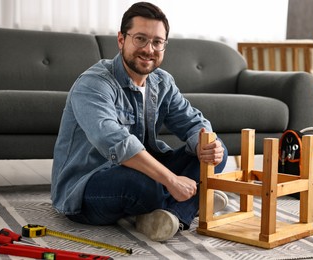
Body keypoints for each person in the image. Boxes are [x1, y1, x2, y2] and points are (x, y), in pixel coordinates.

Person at [51, 1, 228, 242]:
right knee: (145, 184)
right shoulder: (93, 84)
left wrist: (205, 143)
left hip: (143, 170)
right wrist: (171, 179)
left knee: (215, 151)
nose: (149, 49)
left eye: (157, 42)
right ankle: (194, 202)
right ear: (121, 39)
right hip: (88, 187)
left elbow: (192, 121)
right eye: (140, 39)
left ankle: (169, 213)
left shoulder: (162, 82)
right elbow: (117, 142)